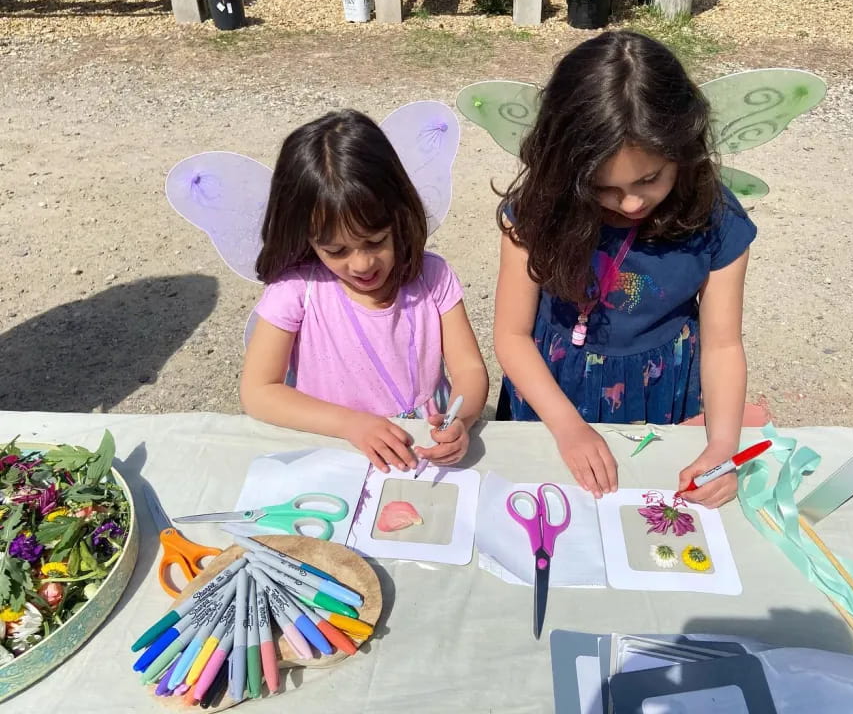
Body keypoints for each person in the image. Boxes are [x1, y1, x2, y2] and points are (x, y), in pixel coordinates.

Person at [493, 31, 757, 508]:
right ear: (565, 169)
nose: (632, 202)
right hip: (552, 391)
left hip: (660, 387)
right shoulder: (540, 211)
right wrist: (568, 426)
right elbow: (511, 336)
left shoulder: (716, 217)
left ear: (682, 148)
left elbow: (722, 344)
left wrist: (722, 447)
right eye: (604, 187)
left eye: (650, 179)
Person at [241, 110, 488, 472]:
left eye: (375, 242)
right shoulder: (297, 291)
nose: (361, 265)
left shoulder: (432, 276)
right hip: (336, 451)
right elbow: (259, 392)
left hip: (424, 455)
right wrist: (350, 424)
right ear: (305, 236)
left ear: (399, 216)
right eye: (336, 251)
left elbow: (468, 368)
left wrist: (461, 421)